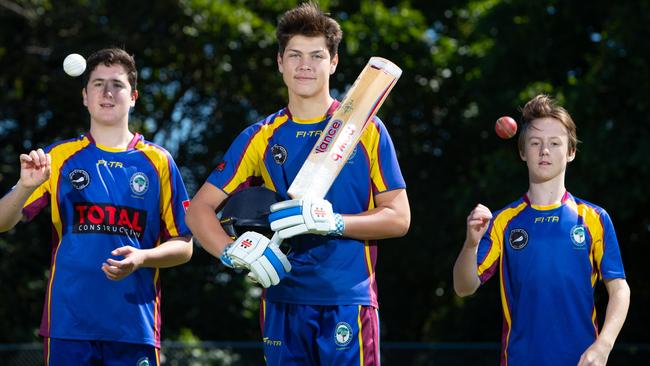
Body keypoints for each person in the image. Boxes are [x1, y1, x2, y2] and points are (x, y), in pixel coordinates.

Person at [185, 2, 410, 365]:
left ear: (334, 63)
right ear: (280, 61)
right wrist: (230, 251)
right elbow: (199, 211)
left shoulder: (364, 129)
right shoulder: (261, 136)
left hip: (347, 301)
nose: (305, 65)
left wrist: (335, 223)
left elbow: (399, 218)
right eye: (295, 55)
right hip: (282, 299)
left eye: (317, 55)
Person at [0, 47, 193, 366]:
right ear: (85, 96)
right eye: (98, 83)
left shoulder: (158, 161)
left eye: (117, 84)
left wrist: (142, 258)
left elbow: (184, 244)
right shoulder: (57, 158)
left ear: (133, 96)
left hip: (134, 329)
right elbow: (3, 222)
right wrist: (24, 186)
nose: (107, 91)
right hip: (68, 328)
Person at [453, 94, 630, 366]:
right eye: (535, 143)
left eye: (554, 143)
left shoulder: (594, 218)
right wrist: (470, 244)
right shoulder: (503, 221)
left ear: (570, 152)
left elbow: (619, 290)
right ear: (523, 152)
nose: (544, 150)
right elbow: (464, 287)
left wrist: (603, 345)